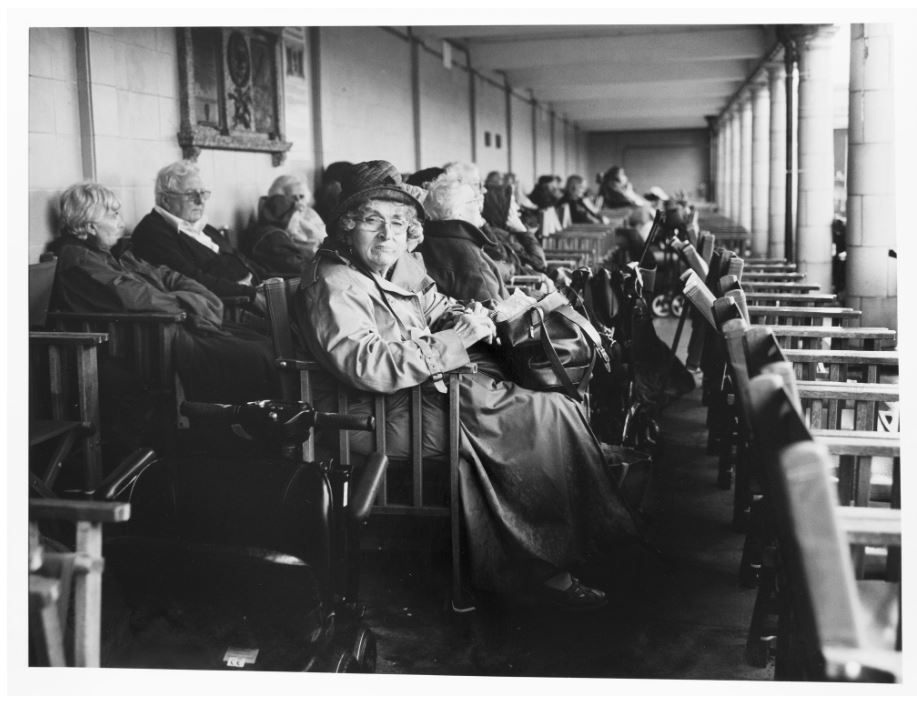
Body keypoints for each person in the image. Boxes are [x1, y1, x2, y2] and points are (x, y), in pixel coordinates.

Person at [296, 160, 637, 609]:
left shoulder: (384, 268)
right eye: (372, 222)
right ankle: (541, 565)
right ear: (346, 227)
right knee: (542, 415)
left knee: (553, 404)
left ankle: (577, 540)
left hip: (419, 396)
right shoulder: (336, 283)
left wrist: (467, 318)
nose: (387, 235)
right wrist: (454, 341)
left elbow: (437, 304)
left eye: (398, 222)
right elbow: (366, 365)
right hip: (374, 417)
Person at [49, 182, 280, 407]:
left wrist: (197, 295)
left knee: (268, 344)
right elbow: (135, 297)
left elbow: (167, 275)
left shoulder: (110, 253)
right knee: (257, 355)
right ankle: (250, 433)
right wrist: (194, 301)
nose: (121, 222)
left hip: (177, 328)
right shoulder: (80, 261)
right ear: (90, 227)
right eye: (113, 215)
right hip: (153, 341)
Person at [130, 160, 268, 307]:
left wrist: (270, 280)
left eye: (202, 193)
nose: (200, 201)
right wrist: (247, 293)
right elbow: (190, 280)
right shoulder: (153, 232)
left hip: (252, 293)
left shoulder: (202, 227)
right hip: (229, 307)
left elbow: (239, 258)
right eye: (191, 194)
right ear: (166, 199)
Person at [419, 170, 509, 303]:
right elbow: (495, 310)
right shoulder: (467, 253)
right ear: (457, 212)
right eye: (474, 201)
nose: (479, 206)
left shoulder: (423, 241)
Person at [241, 193, 314, 276]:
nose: (298, 221)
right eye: (295, 215)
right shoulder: (273, 238)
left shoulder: (269, 232)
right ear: (284, 217)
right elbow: (300, 268)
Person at [266, 174, 327, 257]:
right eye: (294, 197)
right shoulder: (282, 218)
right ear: (281, 200)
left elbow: (324, 236)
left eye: (301, 196)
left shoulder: (309, 212)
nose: (299, 201)